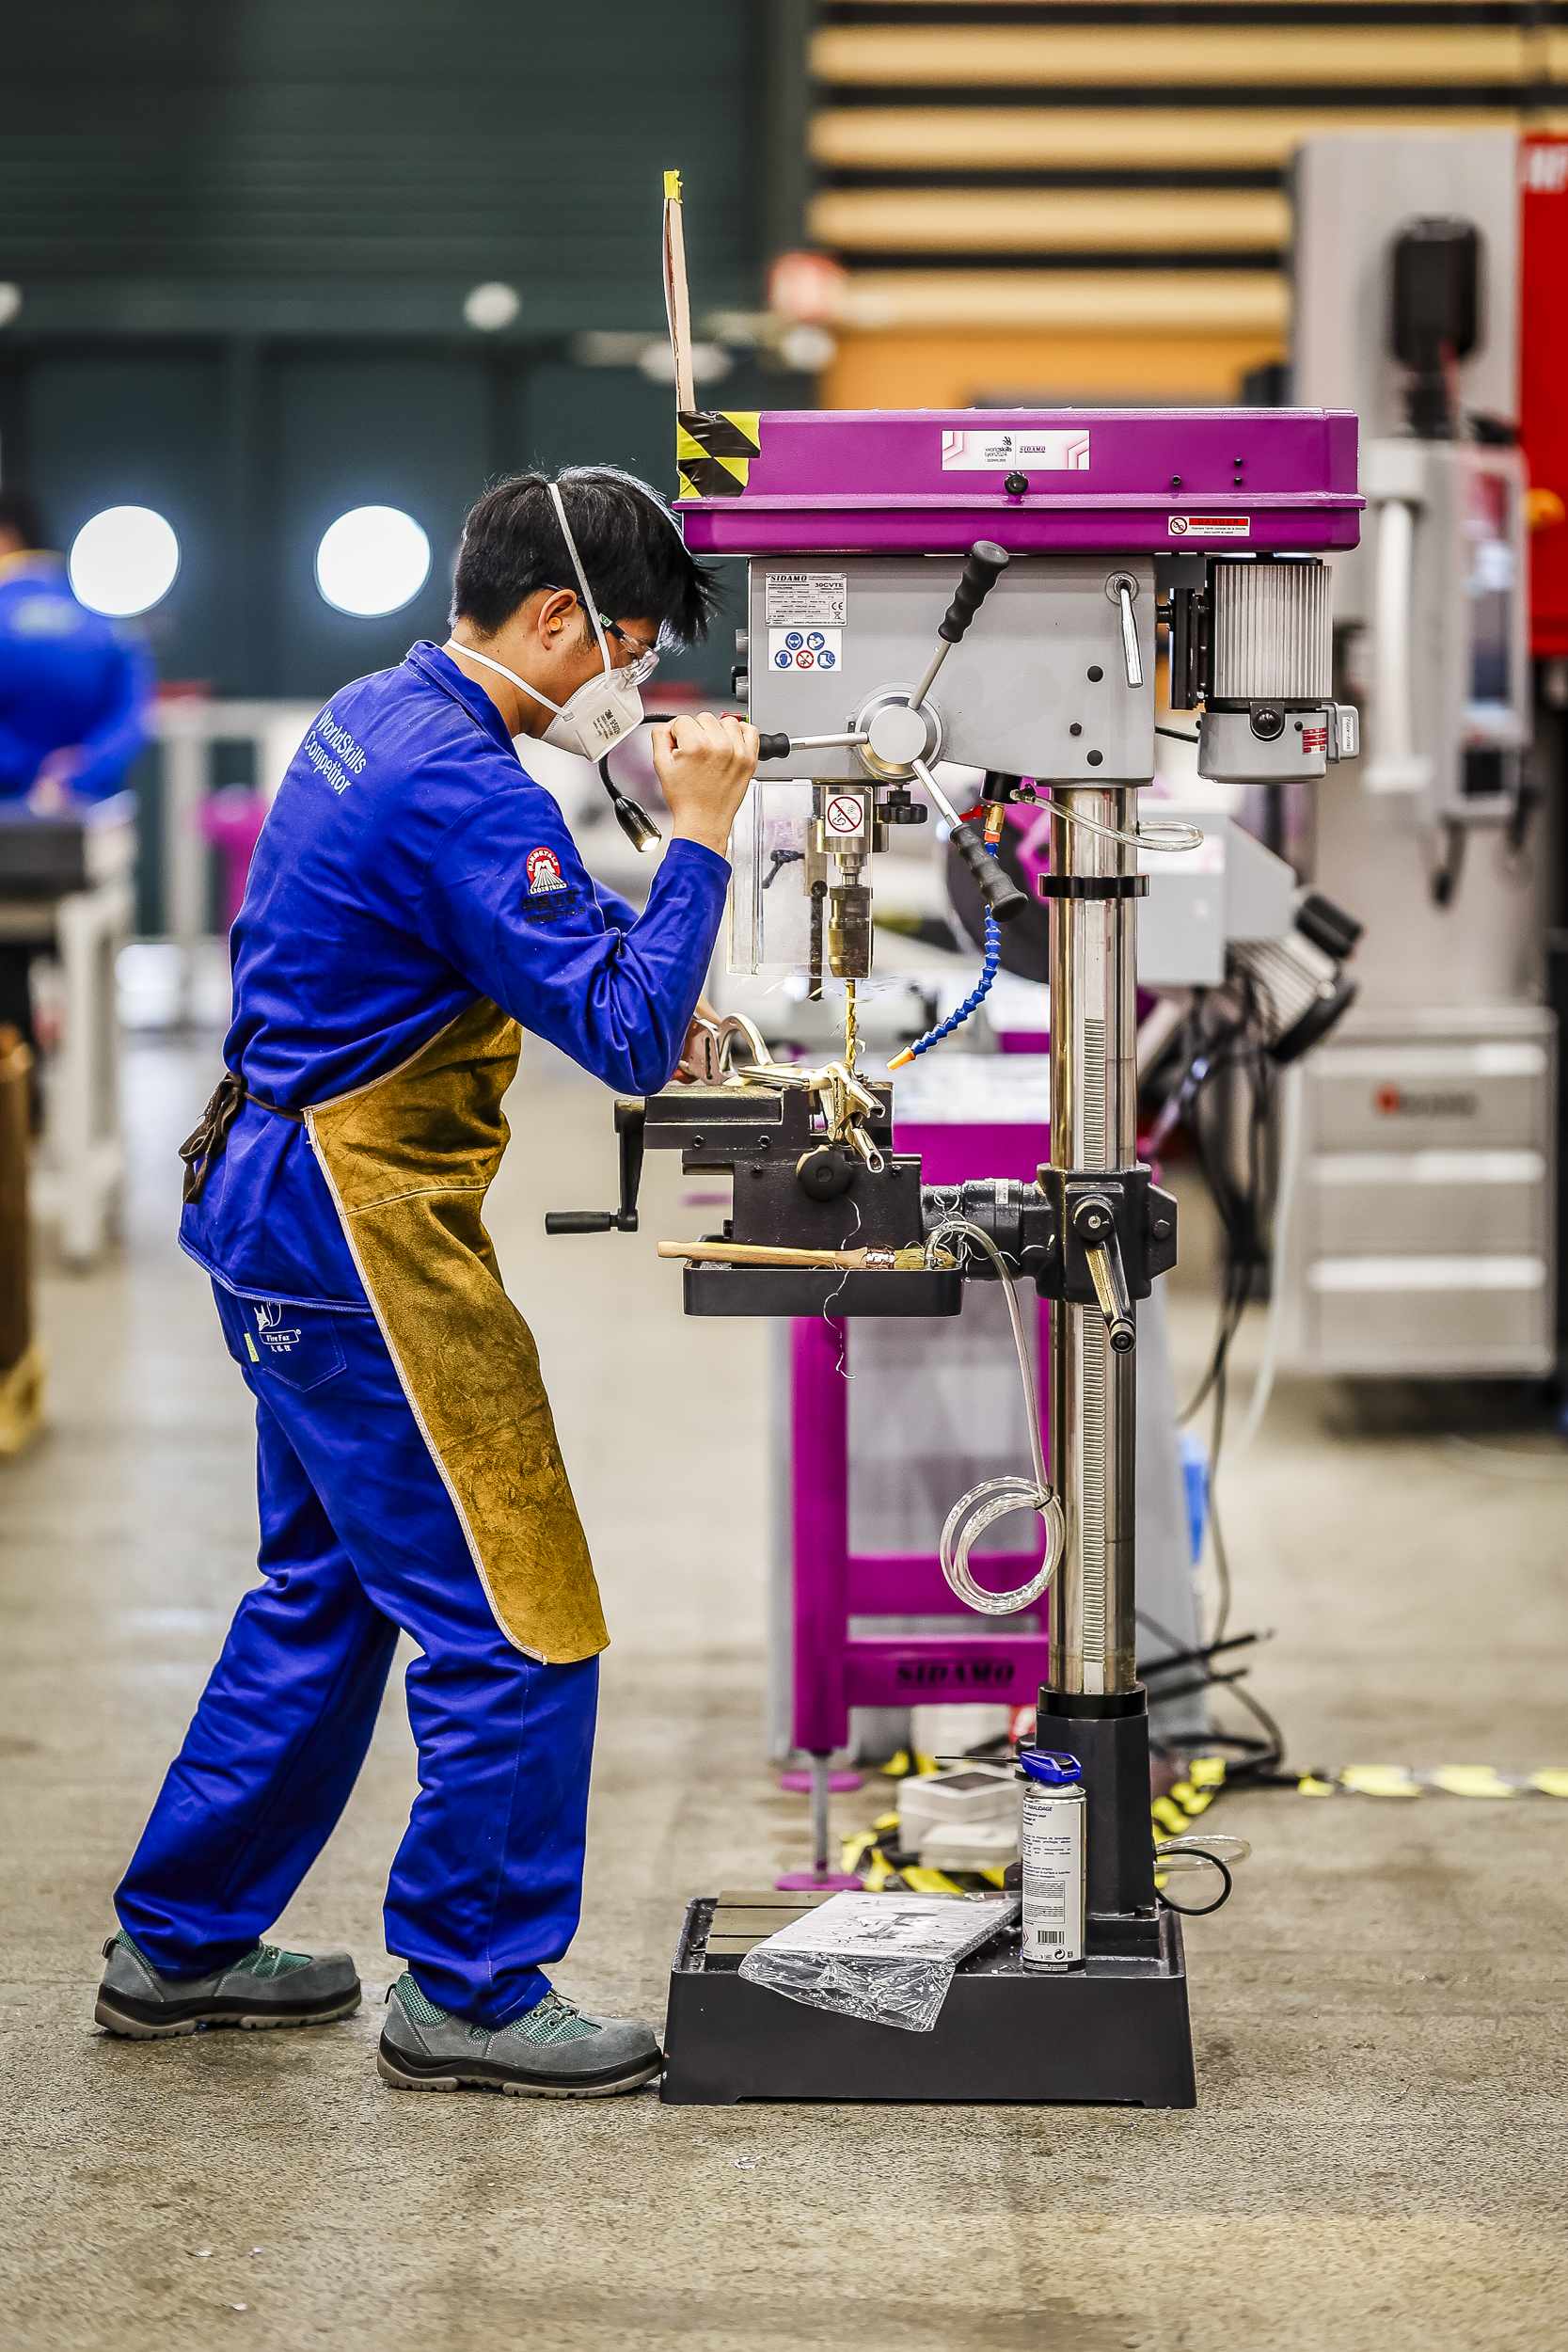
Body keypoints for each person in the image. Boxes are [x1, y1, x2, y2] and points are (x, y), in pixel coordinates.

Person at [95, 467, 758, 2098]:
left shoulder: (376, 717)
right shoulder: (470, 788)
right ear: (559, 625)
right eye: (638, 657)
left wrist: (638, 939)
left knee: (322, 1597)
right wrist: (699, 845)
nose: (643, 694)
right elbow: (612, 1034)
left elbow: (515, 941)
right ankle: (468, 1981)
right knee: (514, 1607)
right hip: (354, 1240)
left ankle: (178, 1942)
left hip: (271, 1213)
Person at [0, 487, 153, 1081]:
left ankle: (20, 1099)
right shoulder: (105, 627)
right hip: (79, 835)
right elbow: (131, 719)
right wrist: (71, 774)